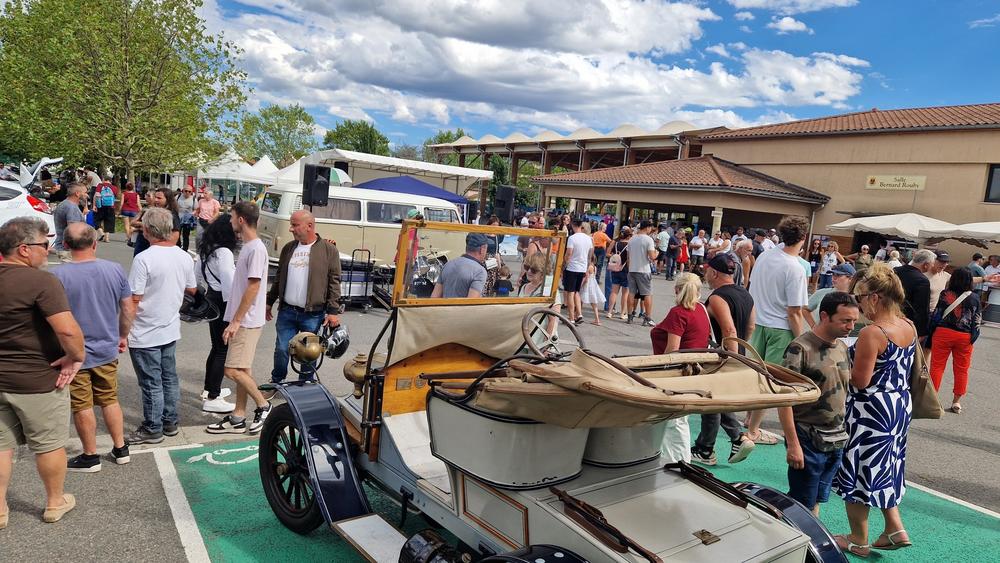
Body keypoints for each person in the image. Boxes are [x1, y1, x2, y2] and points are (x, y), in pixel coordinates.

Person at [0, 217, 85, 525]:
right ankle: (54, 501)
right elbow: (67, 331)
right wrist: (76, 357)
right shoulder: (41, 282)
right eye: (43, 244)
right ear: (24, 249)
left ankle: (0, 508)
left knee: (1, 445)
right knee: (48, 444)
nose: (48, 250)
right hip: (37, 378)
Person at [833, 263, 916, 558]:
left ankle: (858, 539)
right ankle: (895, 527)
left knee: (859, 473)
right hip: (897, 407)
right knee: (886, 468)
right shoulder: (908, 325)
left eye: (860, 297)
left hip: (870, 411)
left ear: (875, 298)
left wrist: (839, 360)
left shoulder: (872, 332)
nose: (858, 304)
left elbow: (860, 380)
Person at [52, 224, 134, 472]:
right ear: (95, 243)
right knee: (109, 398)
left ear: (65, 245)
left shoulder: (58, 276)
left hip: (74, 352)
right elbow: (128, 309)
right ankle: (120, 448)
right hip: (106, 347)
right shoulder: (114, 270)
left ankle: (90, 455)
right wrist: (122, 335)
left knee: (82, 404)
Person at [779, 291, 859, 516]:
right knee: (801, 504)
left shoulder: (842, 347)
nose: (850, 326)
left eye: (854, 320)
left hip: (835, 437)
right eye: (845, 320)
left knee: (816, 500)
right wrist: (793, 444)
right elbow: (784, 399)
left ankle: (808, 542)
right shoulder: (800, 348)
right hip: (807, 437)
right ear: (824, 316)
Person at [126, 208, 197, 444]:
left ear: (147, 231)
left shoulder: (144, 258)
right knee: (168, 378)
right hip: (169, 326)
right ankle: (170, 421)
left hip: (145, 329)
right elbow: (191, 289)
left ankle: (153, 426)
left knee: (151, 382)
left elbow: (134, 299)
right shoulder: (184, 256)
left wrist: (123, 331)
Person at [206, 203, 273, 435]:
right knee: (243, 369)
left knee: (231, 370)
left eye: (233, 216)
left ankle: (263, 405)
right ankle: (238, 416)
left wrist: (235, 321)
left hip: (246, 320)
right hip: (245, 318)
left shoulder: (255, 248)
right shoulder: (249, 247)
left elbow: (253, 287)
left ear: (242, 219)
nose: (230, 220)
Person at [745, 215, 810, 446]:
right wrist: (802, 338)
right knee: (770, 382)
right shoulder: (795, 268)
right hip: (779, 329)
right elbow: (794, 312)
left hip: (757, 322)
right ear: (803, 237)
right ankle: (753, 430)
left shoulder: (765, 256)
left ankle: (748, 419)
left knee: (754, 376)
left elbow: (751, 285)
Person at [691, 253, 756, 465]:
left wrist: (731, 357)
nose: (706, 274)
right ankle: (734, 438)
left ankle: (706, 448)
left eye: (707, 270)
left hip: (721, 355)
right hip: (737, 352)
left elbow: (729, 328)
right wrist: (741, 353)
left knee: (710, 401)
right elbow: (750, 326)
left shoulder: (718, 297)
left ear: (714, 272)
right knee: (716, 402)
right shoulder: (746, 294)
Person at [265, 210, 342, 384]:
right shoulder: (288, 248)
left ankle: (305, 384)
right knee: (282, 349)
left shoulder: (329, 250)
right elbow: (279, 278)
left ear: (309, 226)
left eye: (294, 225)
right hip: (287, 311)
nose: (291, 229)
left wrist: (333, 311)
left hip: (313, 313)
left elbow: (334, 282)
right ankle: (276, 381)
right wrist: (269, 302)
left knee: (310, 351)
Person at [649, 272, 708, 463]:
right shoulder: (700, 309)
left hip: (675, 373)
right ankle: (680, 460)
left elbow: (673, 349)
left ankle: (677, 461)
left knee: (673, 421)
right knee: (679, 420)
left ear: (676, 290)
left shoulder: (679, 313)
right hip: (692, 370)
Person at [196, 215, 237, 413]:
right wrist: (234, 313)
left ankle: (209, 389)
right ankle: (213, 395)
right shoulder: (224, 252)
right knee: (222, 349)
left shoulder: (207, 249)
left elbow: (196, 276)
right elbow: (229, 282)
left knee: (216, 347)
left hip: (212, 297)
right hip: (223, 299)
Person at [929, 267, 980, 414]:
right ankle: (956, 402)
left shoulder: (945, 294)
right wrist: (972, 337)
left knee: (937, 367)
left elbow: (937, 315)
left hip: (943, 333)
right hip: (964, 336)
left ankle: (933, 400)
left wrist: (932, 331)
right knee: (962, 369)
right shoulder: (975, 298)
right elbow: (977, 320)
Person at [894, 249, 934, 346]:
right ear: (926, 264)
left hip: (889, 317)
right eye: (932, 264)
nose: (932, 266)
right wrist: (922, 331)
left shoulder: (895, 271)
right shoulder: (922, 280)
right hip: (907, 323)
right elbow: (922, 308)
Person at [432, 233, 488, 298]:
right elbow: (472, 303)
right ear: (482, 249)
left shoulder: (448, 264)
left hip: (445, 308)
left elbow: (434, 297)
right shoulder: (480, 271)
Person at [626, 220, 657, 327]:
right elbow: (652, 257)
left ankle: (630, 315)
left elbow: (628, 257)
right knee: (647, 293)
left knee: (631, 293)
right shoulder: (648, 240)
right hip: (643, 269)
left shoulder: (632, 239)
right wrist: (657, 253)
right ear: (647, 228)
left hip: (632, 269)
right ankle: (647, 317)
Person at [805, 263, 856, 328]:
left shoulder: (858, 298)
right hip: (819, 336)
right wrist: (814, 326)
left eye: (838, 275)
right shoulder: (822, 293)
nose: (833, 278)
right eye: (833, 274)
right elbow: (805, 309)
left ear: (850, 279)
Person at [132, 187, 181, 256]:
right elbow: (133, 222)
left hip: (160, 251)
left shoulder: (172, 215)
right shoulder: (151, 211)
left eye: (159, 198)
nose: (155, 200)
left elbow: (174, 238)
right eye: (155, 197)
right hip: (144, 246)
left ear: (167, 200)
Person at [563, 219, 594, 324]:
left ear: (573, 225)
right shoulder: (588, 239)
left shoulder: (572, 238)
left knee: (570, 293)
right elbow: (590, 255)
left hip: (572, 267)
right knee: (577, 292)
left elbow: (568, 254)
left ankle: (571, 317)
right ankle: (579, 314)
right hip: (582, 268)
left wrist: (564, 265)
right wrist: (587, 267)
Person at [52, 183, 87, 260]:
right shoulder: (71, 207)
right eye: (85, 192)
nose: (86, 195)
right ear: (77, 193)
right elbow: (73, 230)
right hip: (68, 250)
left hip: (64, 247)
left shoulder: (64, 204)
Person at [606, 227, 631, 319]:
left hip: (615, 268)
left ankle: (609, 311)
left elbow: (607, 253)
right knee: (625, 293)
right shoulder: (629, 245)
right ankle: (623, 313)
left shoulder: (616, 243)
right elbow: (629, 259)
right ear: (629, 236)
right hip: (625, 270)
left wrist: (614, 256)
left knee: (614, 292)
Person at [90, 174, 118, 243]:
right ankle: (107, 238)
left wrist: (94, 205)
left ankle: (102, 234)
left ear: (103, 180)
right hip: (110, 207)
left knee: (96, 220)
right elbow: (115, 197)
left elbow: (95, 196)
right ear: (110, 181)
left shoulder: (100, 186)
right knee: (108, 221)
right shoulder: (114, 188)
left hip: (100, 206)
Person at [580, 257, 605, 325]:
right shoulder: (595, 267)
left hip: (588, 285)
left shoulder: (588, 267)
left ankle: (578, 315)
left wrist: (581, 285)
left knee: (580, 300)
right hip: (593, 285)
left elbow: (586, 278)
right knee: (594, 303)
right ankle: (597, 319)